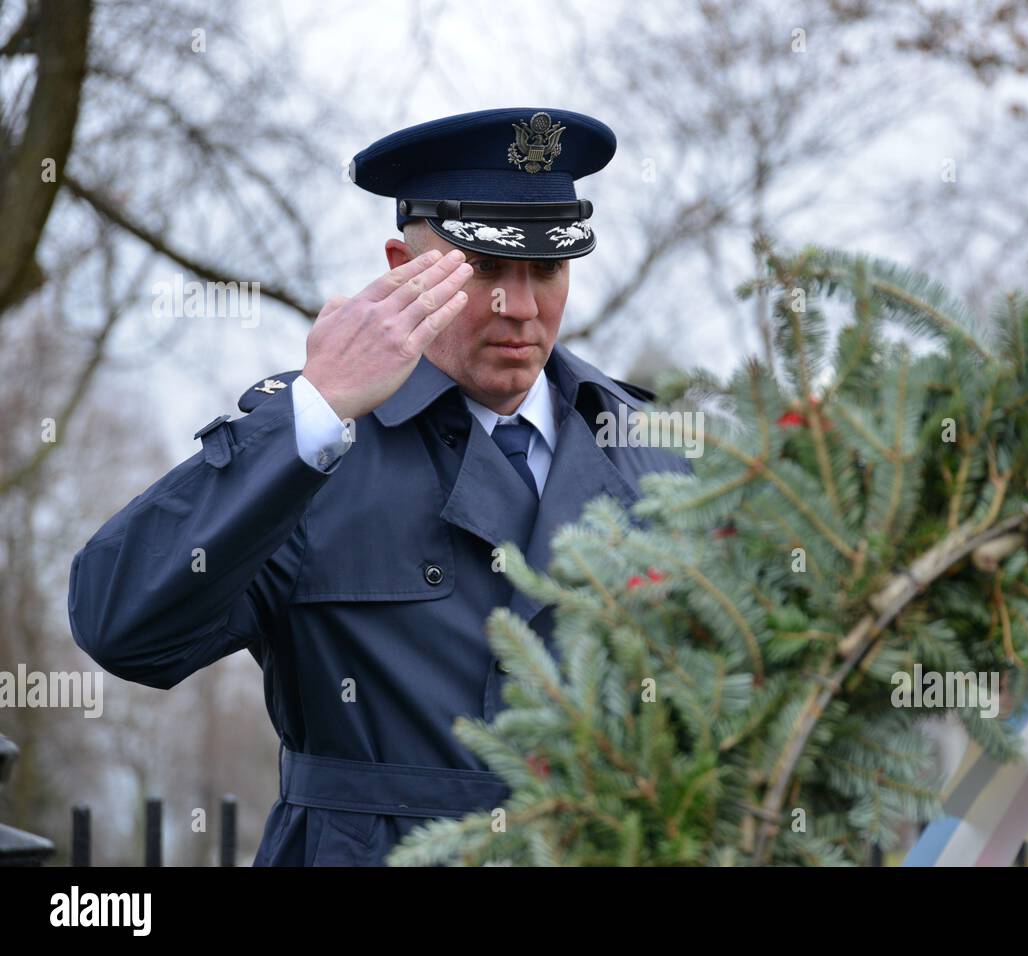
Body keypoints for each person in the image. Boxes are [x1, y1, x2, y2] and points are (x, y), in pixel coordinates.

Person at [67, 107, 691, 866]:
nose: (520, 309)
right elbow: (121, 626)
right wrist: (314, 411)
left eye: (548, 270)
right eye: (486, 269)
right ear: (402, 265)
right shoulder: (314, 448)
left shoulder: (652, 451)